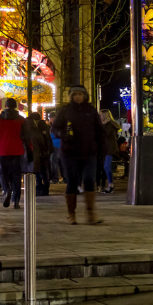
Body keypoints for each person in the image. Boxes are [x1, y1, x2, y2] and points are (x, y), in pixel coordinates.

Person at [51, 85, 106, 225]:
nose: (77, 97)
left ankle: (91, 213)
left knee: (89, 179)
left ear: (85, 95)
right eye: (74, 94)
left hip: (89, 152)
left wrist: (102, 148)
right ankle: (71, 214)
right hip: (69, 152)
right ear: (71, 96)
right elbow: (55, 128)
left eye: (80, 94)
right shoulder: (65, 110)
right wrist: (62, 134)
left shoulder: (91, 110)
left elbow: (100, 130)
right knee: (72, 181)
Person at [0, 98, 28, 209]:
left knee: (2, 174)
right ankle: (16, 201)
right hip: (17, 151)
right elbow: (26, 137)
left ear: (5, 106)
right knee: (16, 176)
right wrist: (28, 151)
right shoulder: (21, 120)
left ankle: (6, 191)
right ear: (16, 106)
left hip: (2, 150)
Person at [26, 112, 53, 196]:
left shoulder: (37, 128)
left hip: (40, 153)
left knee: (41, 172)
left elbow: (43, 141)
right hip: (43, 153)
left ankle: (41, 189)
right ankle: (43, 189)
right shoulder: (40, 127)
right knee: (42, 172)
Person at [99, 109, 121, 194]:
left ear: (104, 116)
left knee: (106, 166)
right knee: (107, 167)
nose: (99, 116)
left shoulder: (109, 125)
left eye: (100, 115)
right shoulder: (108, 124)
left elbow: (104, 135)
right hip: (107, 149)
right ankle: (110, 184)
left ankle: (111, 185)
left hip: (110, 149)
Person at [48, 112, 63, 183]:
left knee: (54, 163)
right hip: (61, 145)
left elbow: (54, 135)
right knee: (61, 163)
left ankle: (55, 178)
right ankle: (65, 178)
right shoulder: (61, 124)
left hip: (55, 145)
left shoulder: (55, 125)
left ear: (52, 118)